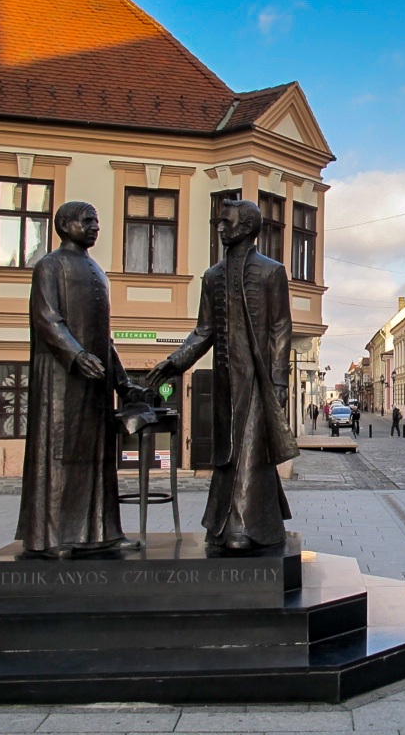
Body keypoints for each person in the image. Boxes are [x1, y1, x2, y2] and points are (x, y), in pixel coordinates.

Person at [148, 199, 297, 551]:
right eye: (218, 221)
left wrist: (278, 380)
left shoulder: (271, 271)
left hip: (259, 379)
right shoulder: (212, 276)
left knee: (249, 450)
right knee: (229, 453)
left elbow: (280, 328)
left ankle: (241, 527)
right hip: (226, 380)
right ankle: (238, 523)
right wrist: (175, 362)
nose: (219, 227)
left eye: (226, 222)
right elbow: (203, 331)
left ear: (247, 227)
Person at [16, 201, 142, 557]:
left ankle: (102, 533)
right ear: (64, 224)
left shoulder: (97, 271)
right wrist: (76, 355)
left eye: (97, 221)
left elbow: (105, 337)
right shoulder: (49, 266)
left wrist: (122, 381)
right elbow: (47, 319)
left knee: (98, 460)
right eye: (88, 221)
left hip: (95, 382)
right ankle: (52, 537)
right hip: (61, 379)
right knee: (59, 456)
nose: (95, 227)